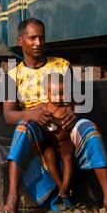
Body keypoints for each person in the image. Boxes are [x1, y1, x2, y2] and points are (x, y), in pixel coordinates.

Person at [0, 18, 107, 213]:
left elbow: (74, 103)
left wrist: (73, 111)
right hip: (37, 129)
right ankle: (12, 199)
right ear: (21, 40)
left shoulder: (62, 66)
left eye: (41, 38)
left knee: (89, 128)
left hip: (64, 127)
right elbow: (9, 115)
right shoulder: (12, 75)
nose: (38, 42)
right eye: (32, 38)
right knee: (23, 126)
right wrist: (31, 114)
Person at [39, 73, 75, 204]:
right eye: (54, 94)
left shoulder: (67, 107)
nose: (59, 98)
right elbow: (33, 116)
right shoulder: (43, 107)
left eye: (62, 93)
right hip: (50, 142)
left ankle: (66, 185)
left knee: (68, 157)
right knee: (48, 155)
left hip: (65, 142)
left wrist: (55, 120)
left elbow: (69, 120)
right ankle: (60, 185)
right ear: (46, 92)